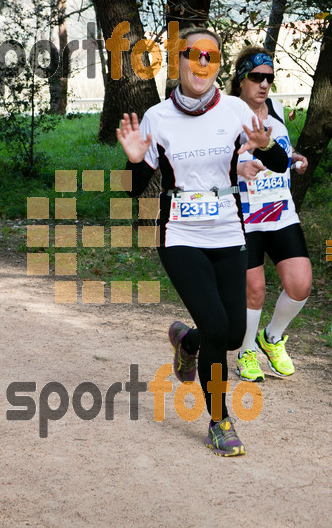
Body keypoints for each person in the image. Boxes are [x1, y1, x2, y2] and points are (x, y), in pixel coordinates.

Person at [117, 29, 289, 456]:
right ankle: (220, 421)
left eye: (211, 56)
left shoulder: (235, 110)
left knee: (230, 336)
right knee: (218, 327)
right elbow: (132, 189)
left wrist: (266, 150)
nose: (202, 63)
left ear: (217, 65)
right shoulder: (157, 117)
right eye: (194, 54)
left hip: (230, 233)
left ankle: (187, 342)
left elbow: (279, 163)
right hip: (180, 236)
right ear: (179, 60)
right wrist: (135, 161)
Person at [230, 46, 313, 383]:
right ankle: (246, 351)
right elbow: (206, 165)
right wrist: (238, 169)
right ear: (241, 79)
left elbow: (280, 148)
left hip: (280, 213)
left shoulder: (275, 108)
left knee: (300, 284)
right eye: (256, 77)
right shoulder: (225, 114)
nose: (263, 84)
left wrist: (295, 157)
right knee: (255, 288)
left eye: (268, 78)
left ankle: (272, 337)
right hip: (244, 216)